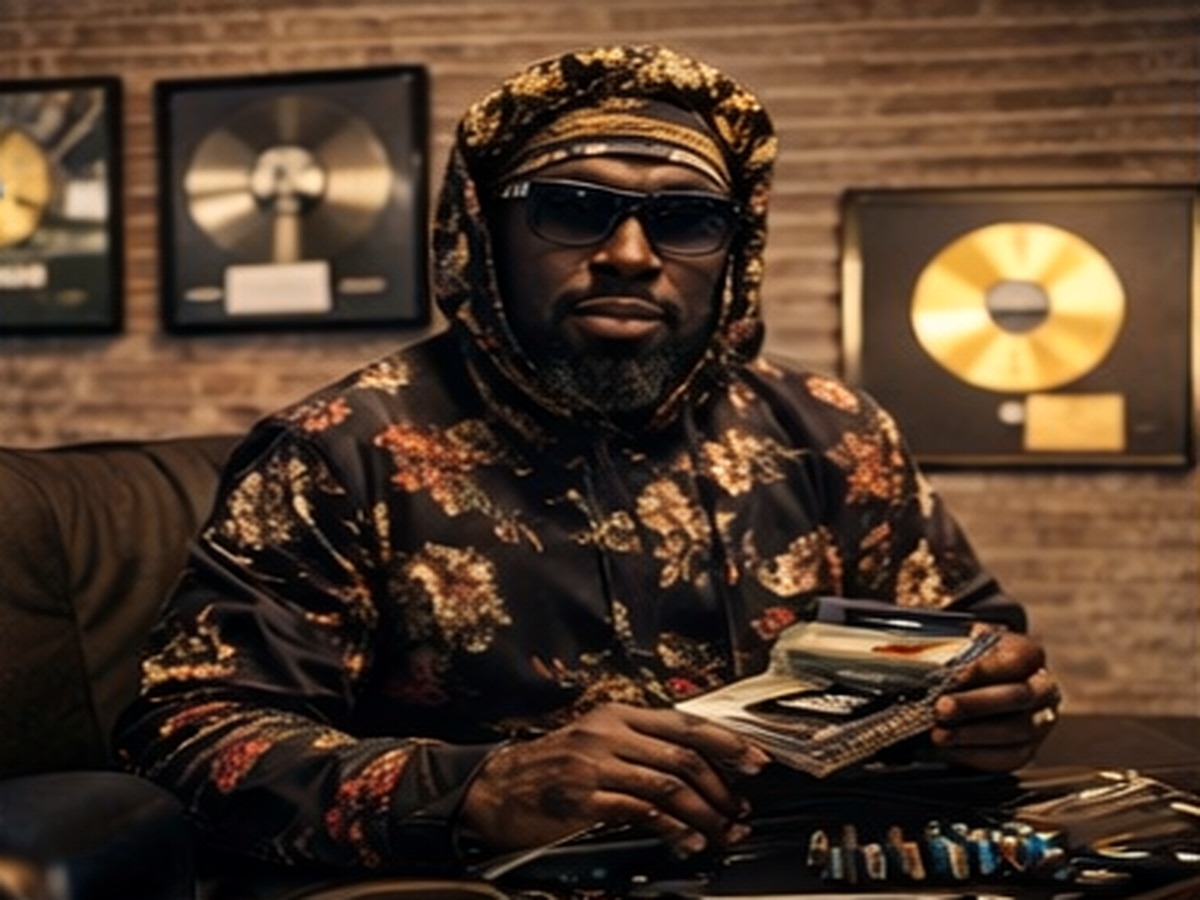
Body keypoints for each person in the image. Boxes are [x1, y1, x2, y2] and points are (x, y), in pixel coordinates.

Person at [116, 44, 1061, 875]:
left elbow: (968, 640)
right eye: (573, 208)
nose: (630, 253)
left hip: (819, 869)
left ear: (736, 251)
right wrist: (477, 788)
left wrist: (997, 709)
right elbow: (192, 738)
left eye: (688, 219)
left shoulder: (832, 430)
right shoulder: (342, 451)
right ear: (485, 231)